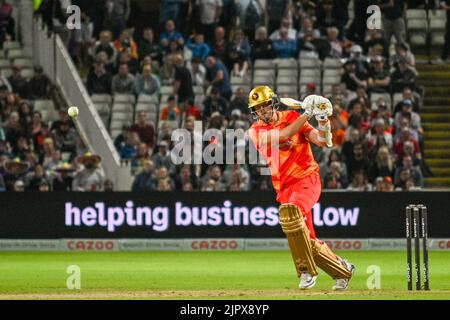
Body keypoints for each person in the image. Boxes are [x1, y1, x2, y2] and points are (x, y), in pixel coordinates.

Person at [247, 86, 354, 290]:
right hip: (284, 188)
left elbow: (322, 141)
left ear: (273, 103)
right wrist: (308, 113)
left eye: (264, 106)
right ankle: (344, 270)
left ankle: (305, 271)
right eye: (258, 108)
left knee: (293, 215)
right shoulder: (255, 132)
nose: (262, 111)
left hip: (307, 180)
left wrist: (323, 120)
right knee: (308, 240)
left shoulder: (292, 116)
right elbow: (286, 133)